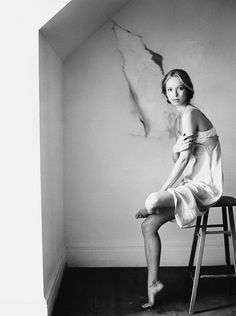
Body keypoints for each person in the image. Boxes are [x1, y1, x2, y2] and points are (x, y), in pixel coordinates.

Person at [135, 69, 223, 309]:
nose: (175, 93)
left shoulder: (191, 114)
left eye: (180, 88)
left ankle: (151, 203)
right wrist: (175, 146)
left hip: (205, 186)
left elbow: (184, 162)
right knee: (148, 225)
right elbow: (179, 158)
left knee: (153, 200)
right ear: (165, 92)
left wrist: (159, 194)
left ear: (188, 89)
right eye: (170, 89)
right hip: (191, 183)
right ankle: (153, 284)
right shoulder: (181, 118)